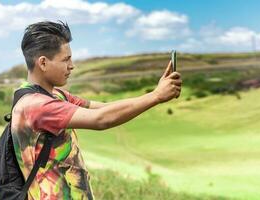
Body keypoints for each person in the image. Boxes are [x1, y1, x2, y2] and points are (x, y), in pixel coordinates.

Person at [13, 20, 182, 200]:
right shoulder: (36, 105)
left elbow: (103, 108)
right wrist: (156, 96)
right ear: (43, 63)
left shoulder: (55, 95)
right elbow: (101, 120)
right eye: (66, 59)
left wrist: (155, 93)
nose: (72, 65)